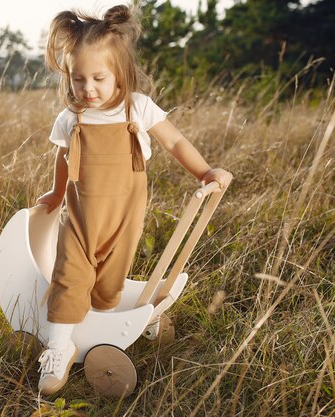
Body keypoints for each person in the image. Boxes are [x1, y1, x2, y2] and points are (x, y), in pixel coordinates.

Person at [35, 4, 232, 395]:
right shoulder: (71, 117)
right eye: (78, 80)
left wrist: (206, 172)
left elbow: (174, 140)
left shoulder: (137, 108)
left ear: (120, 74)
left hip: (124, 218)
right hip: (79, 217)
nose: (87, 89)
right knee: (69, 275)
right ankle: (58, 347)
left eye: (98, 78)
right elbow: (63, 156)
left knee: (109, 285)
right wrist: (57, 193)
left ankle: (115, 327)